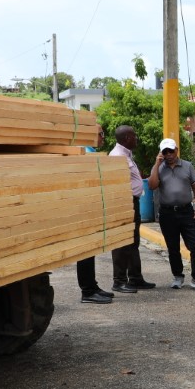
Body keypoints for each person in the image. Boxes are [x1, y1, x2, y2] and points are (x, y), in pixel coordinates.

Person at [147, 137, 195, 291]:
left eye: (171, 151)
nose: (169, 154)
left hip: (186, 211)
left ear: (176, 150)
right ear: (161, 153)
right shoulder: (159, 168)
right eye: (165, 152)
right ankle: (178, 276)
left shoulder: (187, 166)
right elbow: (151, 185)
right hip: (167, 213)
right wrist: (157, 164)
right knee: (173, 248)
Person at [108, 125, 155, 294]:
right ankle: (119, 281)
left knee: (133, 241)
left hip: (132, 202)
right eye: (134, 136)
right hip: (123, 203)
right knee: (122, 242)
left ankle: (135, 278)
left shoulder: (126, 154)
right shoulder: (117, 156)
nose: (137, 138)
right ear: (127, 138)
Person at [76, 125, 115, 304]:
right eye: (101, 134)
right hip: (83, 209)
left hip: (90, 208)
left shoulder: (90, 151)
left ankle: (92, 286)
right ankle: (88, 291)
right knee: (85, 251)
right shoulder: (83, 152)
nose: (103, 137)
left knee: (90, 250)